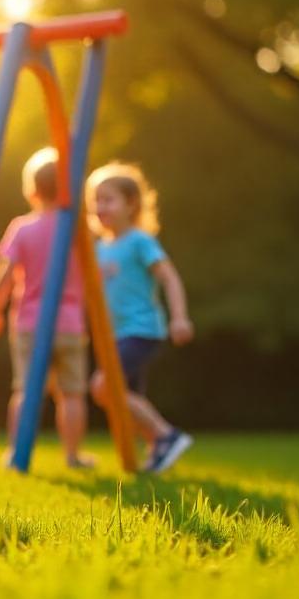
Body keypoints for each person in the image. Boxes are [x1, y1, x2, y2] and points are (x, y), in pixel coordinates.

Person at [0, 147, 94, 469]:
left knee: (26, 390)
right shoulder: (77, 229)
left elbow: (3, 275)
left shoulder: (23, 227)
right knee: (71, 393)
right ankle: (73, 456)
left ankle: (17, 453)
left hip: (30, 321)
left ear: (31, 190)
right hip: (70, 321)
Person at [86, 162, 194, 473]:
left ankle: (166, 435)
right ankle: (157, 444)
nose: (99, 207)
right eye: (95, 200)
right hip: (116, 334)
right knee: (125, 399)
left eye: (108, 199)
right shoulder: (99, 248)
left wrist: (179, 317)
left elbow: (169, 278)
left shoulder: (139, 241)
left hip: (142, 329)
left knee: (104, 387)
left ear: (131, 204)